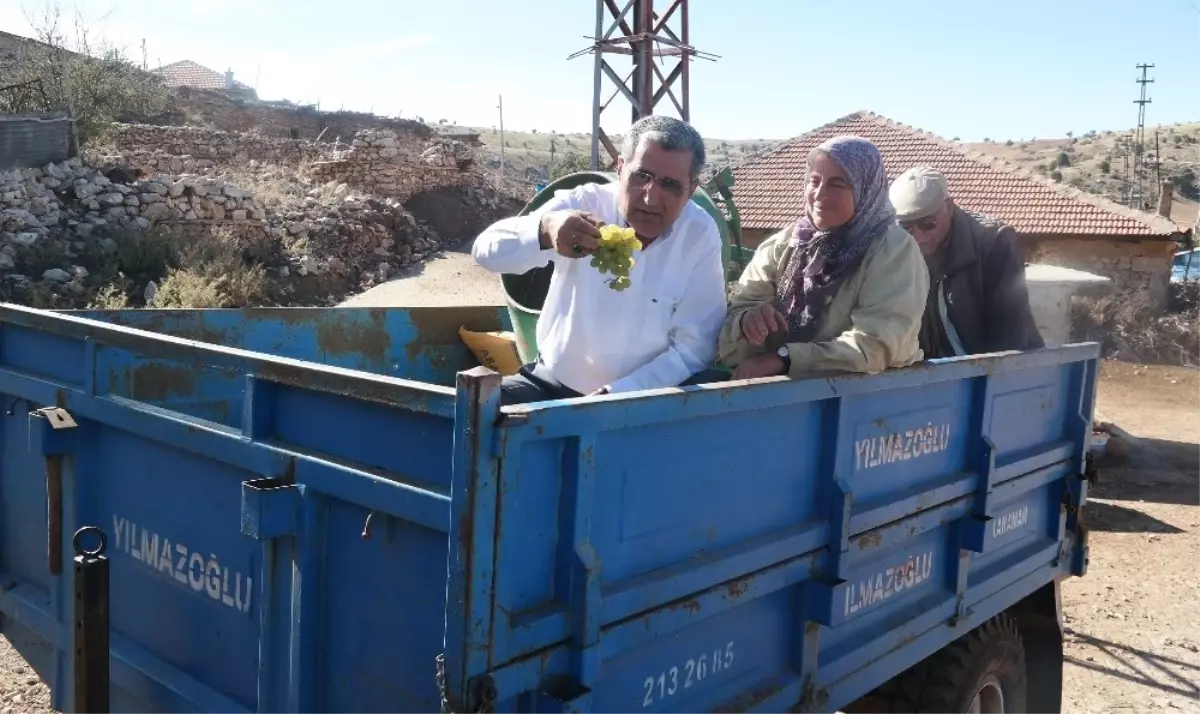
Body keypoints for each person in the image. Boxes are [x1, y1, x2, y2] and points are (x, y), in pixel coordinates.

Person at [472, 115, 728, 405]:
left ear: (691, 189)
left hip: (644, 401)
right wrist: (545, 230)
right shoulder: (584, 204)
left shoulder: (699, 234)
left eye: (670, 185)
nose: (650, 198)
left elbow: (696, 346)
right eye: (641, 176)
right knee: (477, 415)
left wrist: (619, 394)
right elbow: (485, 251)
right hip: (552, 388)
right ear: (620, 169)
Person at [718, 136, 928, 379]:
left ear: (865, 189)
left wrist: (786, 358)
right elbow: (736, 312)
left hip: (865, 401)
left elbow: (875, 345)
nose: (819, 194)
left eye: (837, 184)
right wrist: (747, 321)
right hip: (780, 398)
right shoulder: (789, 243)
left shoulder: (893, 250)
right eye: (814, 181)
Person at [888, 166, 1045, 358]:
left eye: (928, 224)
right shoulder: (894, 247)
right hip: (935, 374)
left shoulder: (993, 242)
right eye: (906, 227)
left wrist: (990, 382)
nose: (919, 237)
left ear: (950, 207)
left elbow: (1010, 330)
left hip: (994, 370)